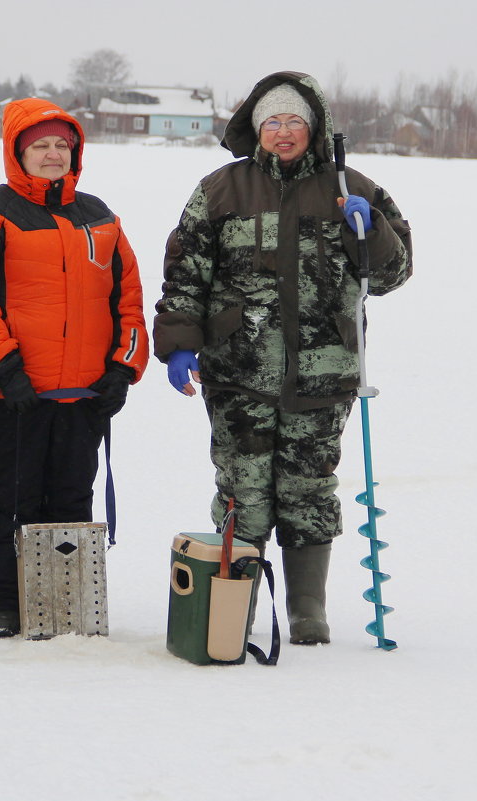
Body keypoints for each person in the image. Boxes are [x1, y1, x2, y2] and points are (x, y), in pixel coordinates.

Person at [153, 71, 412, 645]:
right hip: (237, 372)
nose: (284, 132)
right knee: (242, 492)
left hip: (324, 372)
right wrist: (177, 343)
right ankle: (232, 603)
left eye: (295, 121)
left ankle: (307, 609)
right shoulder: (220, 189)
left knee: (308, 490)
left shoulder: (351, 187)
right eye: (273, 121)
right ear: (256, 128)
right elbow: (186, 272)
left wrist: (367, 232)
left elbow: (393, 275)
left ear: (314, 127)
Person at [0, 98, 149, 637]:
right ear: (18, 153)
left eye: (62, 145)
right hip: (15, 389)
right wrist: (5, 366)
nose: (53, 154)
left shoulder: (99, 216)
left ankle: (65, 599)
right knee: (11, 496)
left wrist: (123, 369)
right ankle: (6, 600)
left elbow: (127, 298)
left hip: (84, 392)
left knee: (71, 500)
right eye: (41, 146)